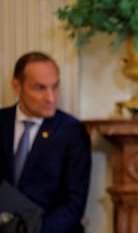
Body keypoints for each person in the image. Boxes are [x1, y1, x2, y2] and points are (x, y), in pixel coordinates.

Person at [0, 51, 92, 232]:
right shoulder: (1, 123)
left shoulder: (72, 132)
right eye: (40, 88)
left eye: (55, 86)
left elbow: (73, 204)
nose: (51, 98)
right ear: (17, 87)